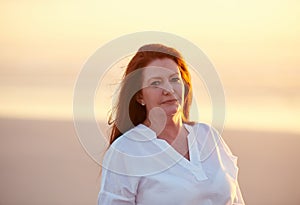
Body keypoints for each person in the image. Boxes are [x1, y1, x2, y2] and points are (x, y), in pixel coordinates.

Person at [98, 44, 245, 205]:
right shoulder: (126, 150)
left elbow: (236, 200)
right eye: (155, 83)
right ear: (139, 96)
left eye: (175, 79)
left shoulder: (208, 136)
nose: (168, 89)